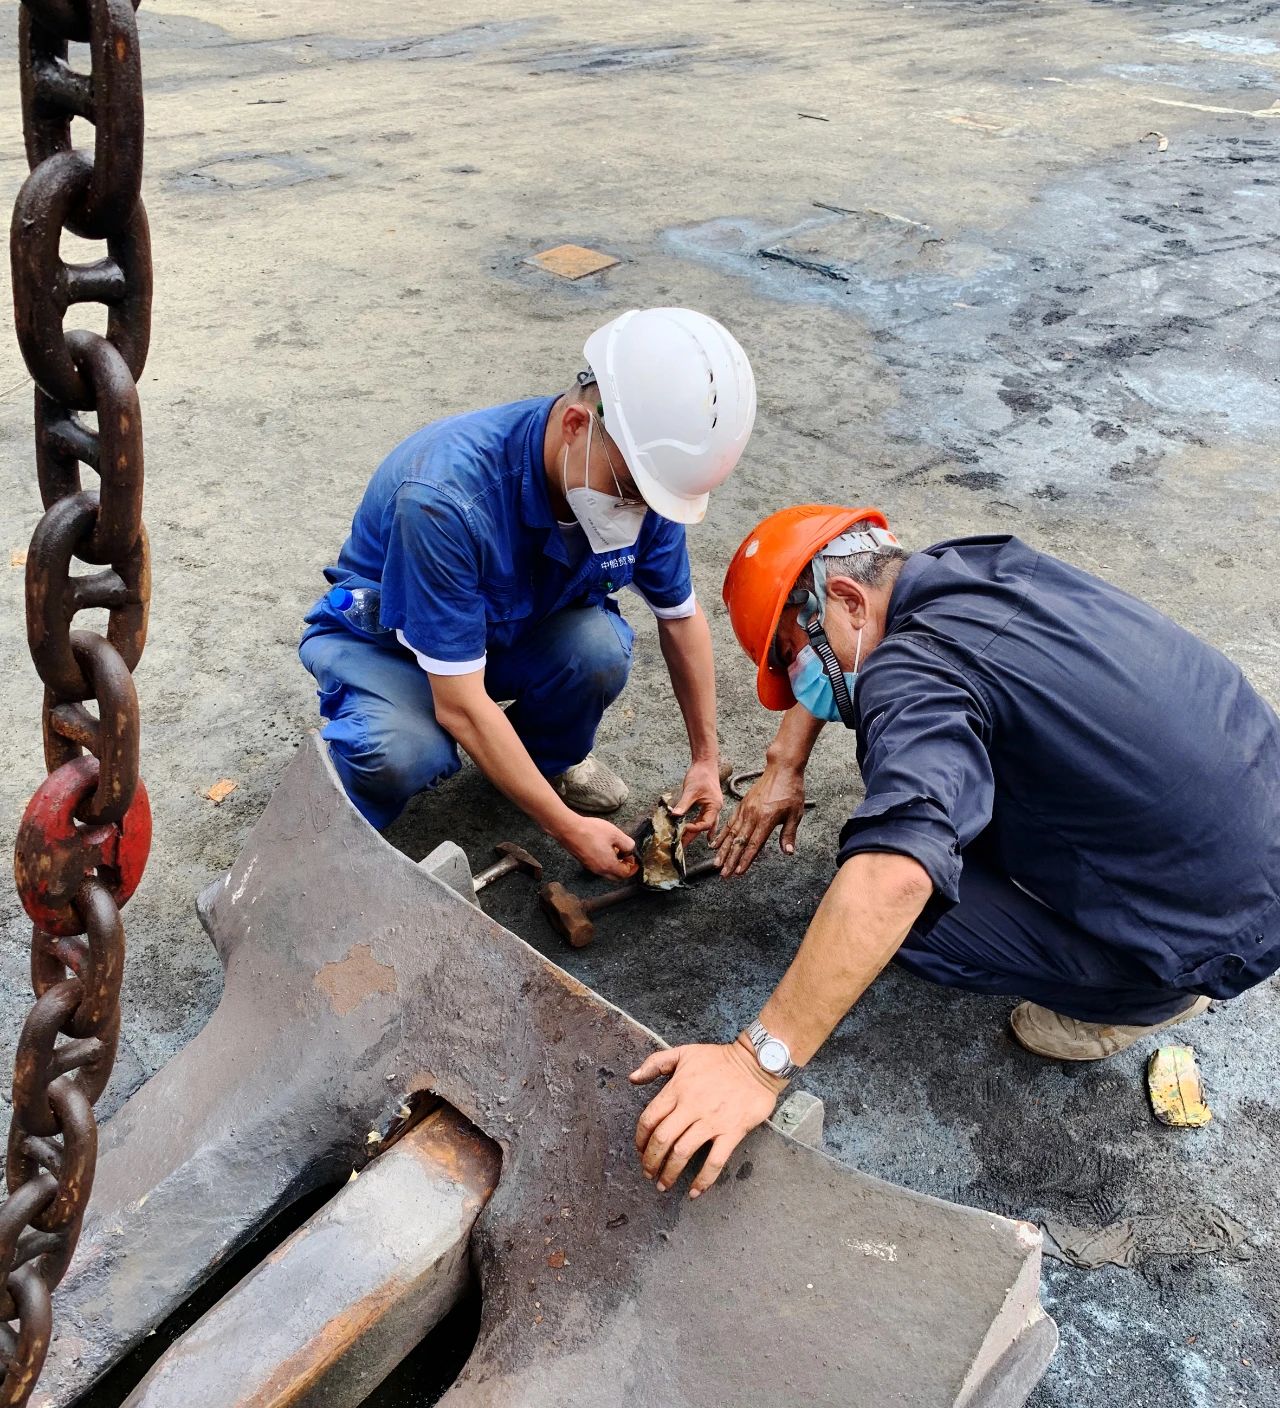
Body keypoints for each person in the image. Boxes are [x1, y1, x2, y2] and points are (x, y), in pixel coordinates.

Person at [630, 505, 1280, 1195]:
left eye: (793, 655)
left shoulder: (912, 674)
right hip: (1250, 815)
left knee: (902, 910)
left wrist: (753, 1064)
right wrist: (785, 758)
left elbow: (897, 875)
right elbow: (849, 639)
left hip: (1219, 931)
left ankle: (1147, 994)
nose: (800, 683)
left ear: (847, 599)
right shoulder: (973, 564)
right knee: (952, 779)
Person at [300, 308, 756, 879]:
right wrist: (566, 828)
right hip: (390, 645)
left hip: (506, 631)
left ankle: (537, 767)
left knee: (598, 649)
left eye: (653, 500)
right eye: (631, 491)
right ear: (576, 425)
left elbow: (680, 619)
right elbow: (460, 703)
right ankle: (327, 823)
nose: (639, 512)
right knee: (399, 752)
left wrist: (707, 761)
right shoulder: (445, 499)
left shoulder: (644, 477)